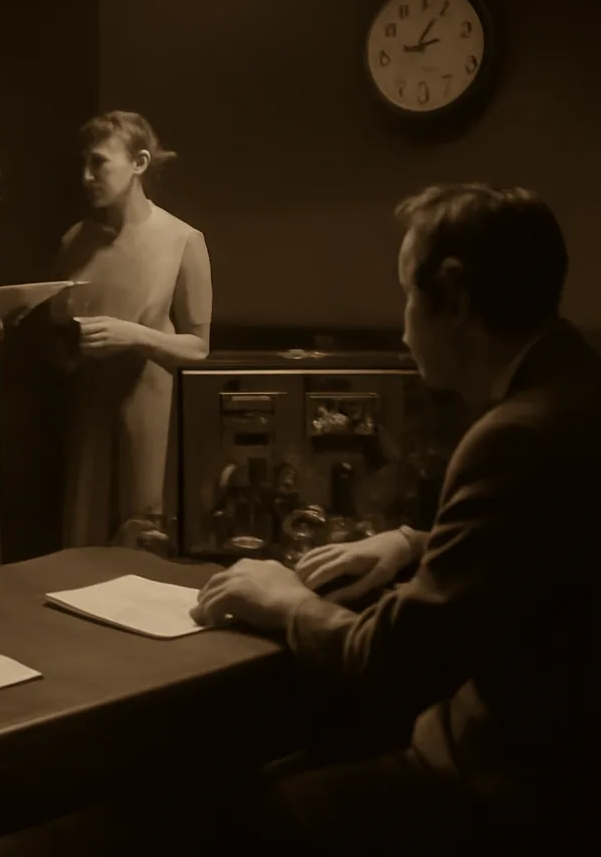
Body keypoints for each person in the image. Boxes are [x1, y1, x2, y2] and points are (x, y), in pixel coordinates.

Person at [189, 184, 597, 850]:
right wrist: (414, 542)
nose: (404, 325)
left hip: (511, 791)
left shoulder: (515, 436)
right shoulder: (576, 384)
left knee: (245, 814)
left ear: (456, 297)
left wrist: (285, 599)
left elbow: (391, 664)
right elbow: (544, 537)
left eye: (409, 293)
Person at [45, 111, 212, 548]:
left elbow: (199, 349)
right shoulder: (73, 242)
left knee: (142, 547)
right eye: (83, 164)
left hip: (149, 419)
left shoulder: (183, 240)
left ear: (138, 163)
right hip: (88, 418)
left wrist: (134, 335)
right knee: (82, 546)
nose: (86, 176)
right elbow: (56, 339)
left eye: (98, 163)